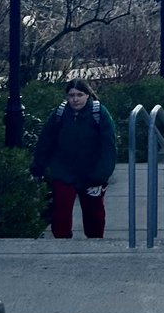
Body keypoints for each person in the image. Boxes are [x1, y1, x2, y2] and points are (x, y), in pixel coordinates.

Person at [30, 78, 117, 240]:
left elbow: (109, 148)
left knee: (94, 214)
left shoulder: (99, 114)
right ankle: (63, 244)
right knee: (61, 212)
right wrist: (38, 166)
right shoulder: (60, 114)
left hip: (91, 172)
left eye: (80, 95)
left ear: (87, 95)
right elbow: (45, 141)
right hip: (64, 171)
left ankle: (95, 243)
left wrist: (100, 177)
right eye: (71, 95)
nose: (75, 99)